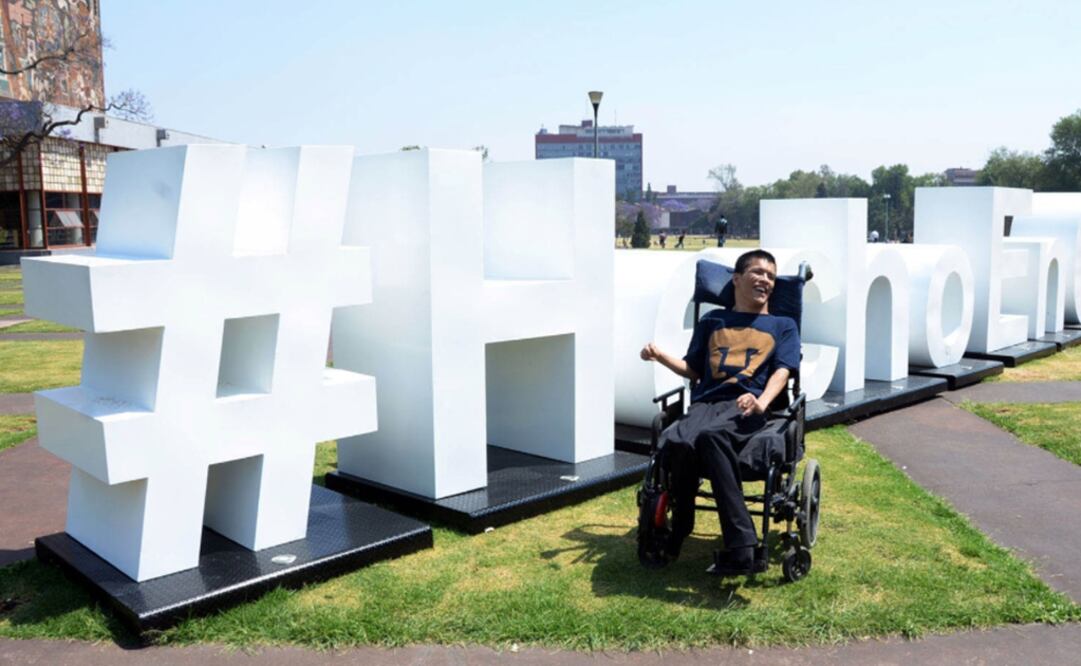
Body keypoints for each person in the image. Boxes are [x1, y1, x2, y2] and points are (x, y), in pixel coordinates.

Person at [639, 249, 800, 576]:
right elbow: (693, 369)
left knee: (712, 437)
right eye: (757, 272)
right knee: (682, 443)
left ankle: (742, 548)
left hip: (746, 406)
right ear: (737, 279)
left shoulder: (783, 325)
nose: (765, 280)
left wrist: (762, 403)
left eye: (770, 275)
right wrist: (659, 355)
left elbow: (782, 372)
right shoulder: (711, 321)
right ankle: (680, 528)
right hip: (704, 404)